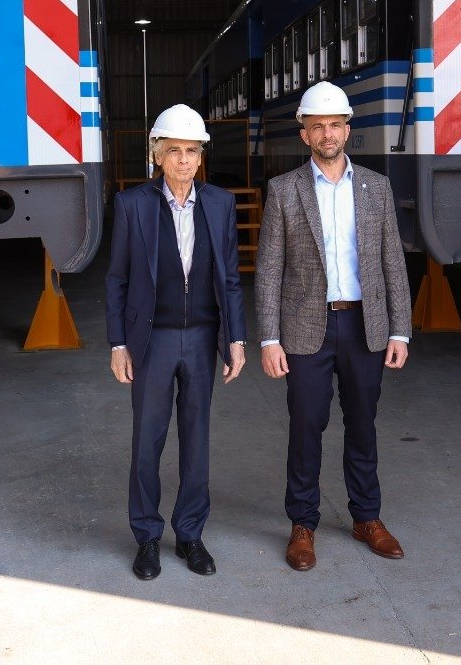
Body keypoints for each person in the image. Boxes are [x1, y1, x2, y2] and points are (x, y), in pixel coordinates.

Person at [256, 80, 412, 571]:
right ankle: (303, 524)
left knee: (362, 424)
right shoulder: (284, 190)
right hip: (306, 329)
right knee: (306, 426)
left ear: (348, 129)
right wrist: (269, 338)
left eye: (335, 125)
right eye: (317, 126)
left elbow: (392, 262)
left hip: (365, 325)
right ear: (304, 134)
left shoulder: (376, 187)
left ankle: (367, 516)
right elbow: (268, 269)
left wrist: (399, 330)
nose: (327, 133)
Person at [106, 103, 248, 580]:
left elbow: (229, 278)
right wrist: (118, 344)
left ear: (201, 155)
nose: (184, 160)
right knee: (148, 440)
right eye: (174, 151)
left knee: (197, 440)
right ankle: (147, 536)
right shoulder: (132, 206)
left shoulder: (220, 203)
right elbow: (117, 281)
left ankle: (190, 534)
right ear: (156, 155)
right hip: (153, 340)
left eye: (192, 150)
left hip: (202, 337)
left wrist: (237, 339)